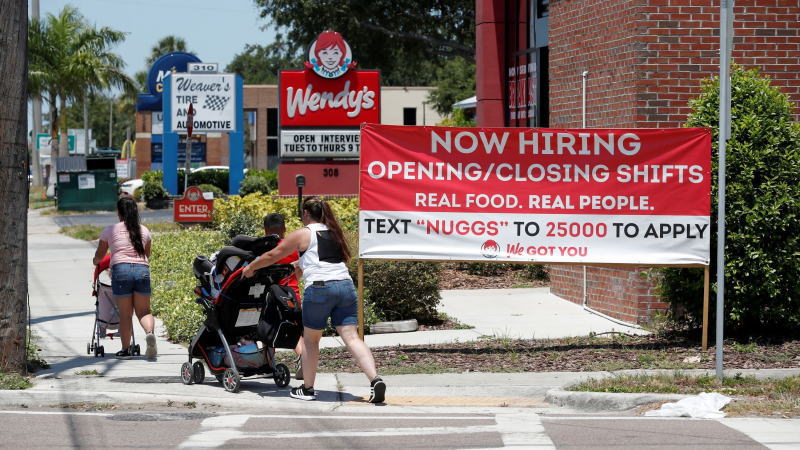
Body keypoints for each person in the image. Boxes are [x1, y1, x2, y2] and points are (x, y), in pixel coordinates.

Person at [243, 197, 386, 403]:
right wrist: (297, 265)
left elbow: (274, 254)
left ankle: (307, 389)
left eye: (302, 214)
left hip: (320, 289)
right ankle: (375, 380)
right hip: (345, 285)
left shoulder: (304, 233)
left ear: (307, 214)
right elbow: (315, 262)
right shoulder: (334, 233)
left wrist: (251, 267)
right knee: (352, 338)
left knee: (311, 340)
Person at [92, 196, 157, 360]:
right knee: (144, 311)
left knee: (126, 314)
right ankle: (150, 334)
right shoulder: (144, 230)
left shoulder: (110, 230)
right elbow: (147, 254)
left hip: (121, 271)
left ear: (119, 212)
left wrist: (95, 261)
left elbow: (99, 256)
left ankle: (126, 349)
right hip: (142, 270)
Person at [263, 212, 305, 380]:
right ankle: (303, 358)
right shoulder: (293, 248)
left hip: (272, 297)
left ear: (265, 231)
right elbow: (299, 273)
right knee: (295, 332)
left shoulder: (266, 248)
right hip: (293, 296)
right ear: (285, 229)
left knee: (266, 330)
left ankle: (269, 364)